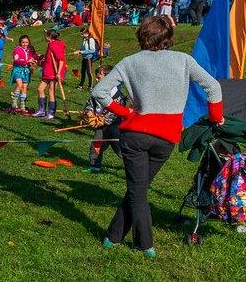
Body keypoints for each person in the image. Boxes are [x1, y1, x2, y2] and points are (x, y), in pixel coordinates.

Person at [92, 16, 223, 257]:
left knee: (137, 189)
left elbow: (99, 91)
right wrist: (216, 118)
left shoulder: (129, 62)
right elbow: (213, 87)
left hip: (136, 133)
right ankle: (114, 236)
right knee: (138, 189)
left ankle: (144, 243)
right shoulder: (184, 60)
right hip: (167, 137)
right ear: (168, 37)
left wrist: (125, 112)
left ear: (142, 35)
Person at [83, 64, 128, 173]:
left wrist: (104, 119)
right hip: (100, 126)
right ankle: (95, 166)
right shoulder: (96, 91)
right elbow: (90, 103)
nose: (97, 80)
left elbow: (117, 112)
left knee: (119, 149)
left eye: (99, 77)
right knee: (96, 146)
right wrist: (89, 112)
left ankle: (133, 165)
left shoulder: (117, 95)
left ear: (108, 78)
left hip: (114, 126)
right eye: (96, 77)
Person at [34, 29, 66, 119]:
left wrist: (59, 73)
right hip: (48, 71)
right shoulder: (50, 44)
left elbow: (61, 59)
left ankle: (51, 113)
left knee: (51, 91)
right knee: (40, 89)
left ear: (48, 36)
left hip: (54, 72)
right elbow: (49, 59)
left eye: (45, 35)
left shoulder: (54, 45)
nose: (44, 37)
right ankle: (42, 111)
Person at [8, 35, 37, 114]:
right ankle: (14, 103)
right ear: (20, 42)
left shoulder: (29, 50)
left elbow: (34, 57)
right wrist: (27, 61)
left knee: (24, 87)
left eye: (26, 42)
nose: (25, 44)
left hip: (26, 70)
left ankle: (22, 105)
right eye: (23, 42)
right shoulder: (17, 49)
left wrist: (34, 60)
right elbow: (17, 60)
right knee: (19, 85)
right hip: (17, 69)